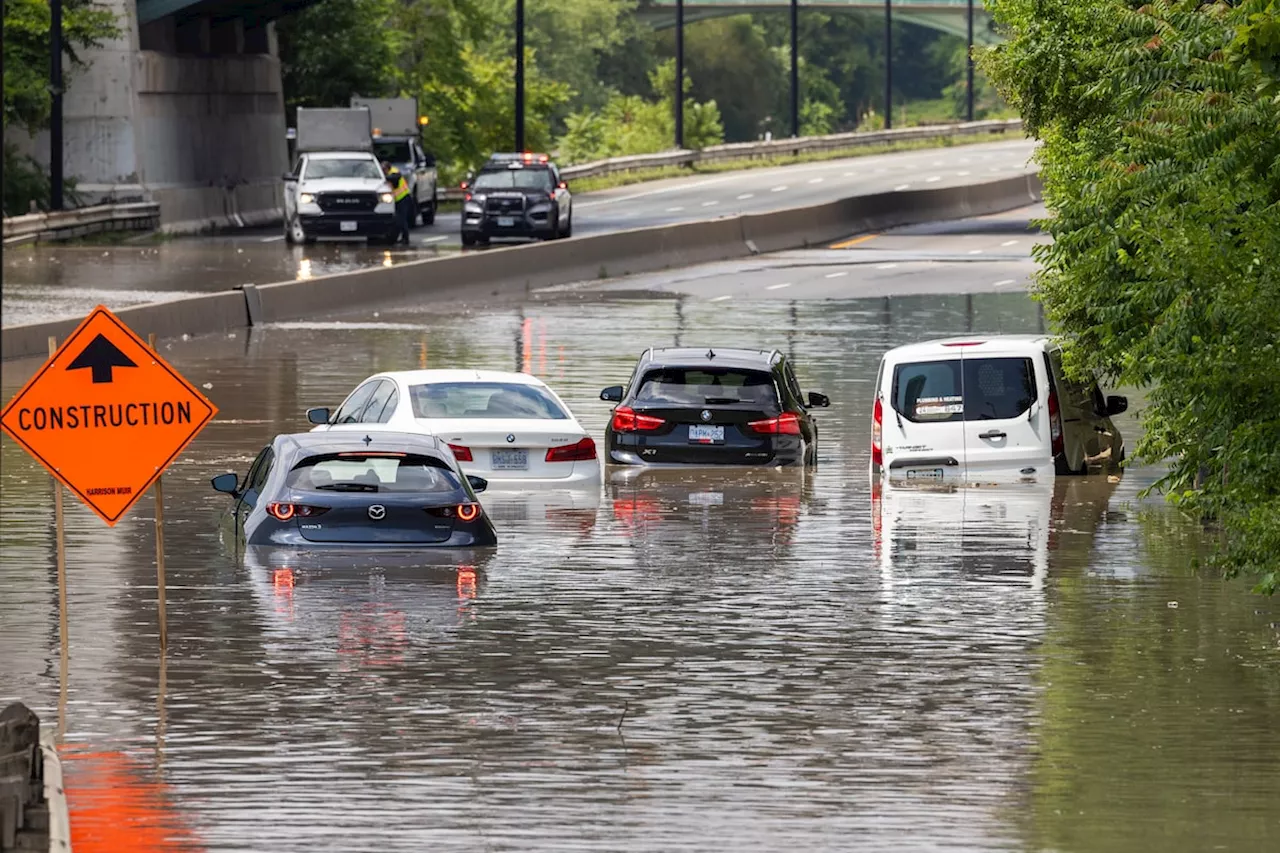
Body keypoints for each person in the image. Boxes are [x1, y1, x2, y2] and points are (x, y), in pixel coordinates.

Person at [382, 161, 412, 245]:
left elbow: (394, 177)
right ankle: (401, 238)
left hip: (403, 198)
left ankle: (405, 239)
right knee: (399, 220)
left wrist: (384, 178)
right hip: (398, 199)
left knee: (402, 220)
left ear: (388, 168)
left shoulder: (394, 172)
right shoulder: (391, 172)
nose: (383, 172)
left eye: (384, 170)